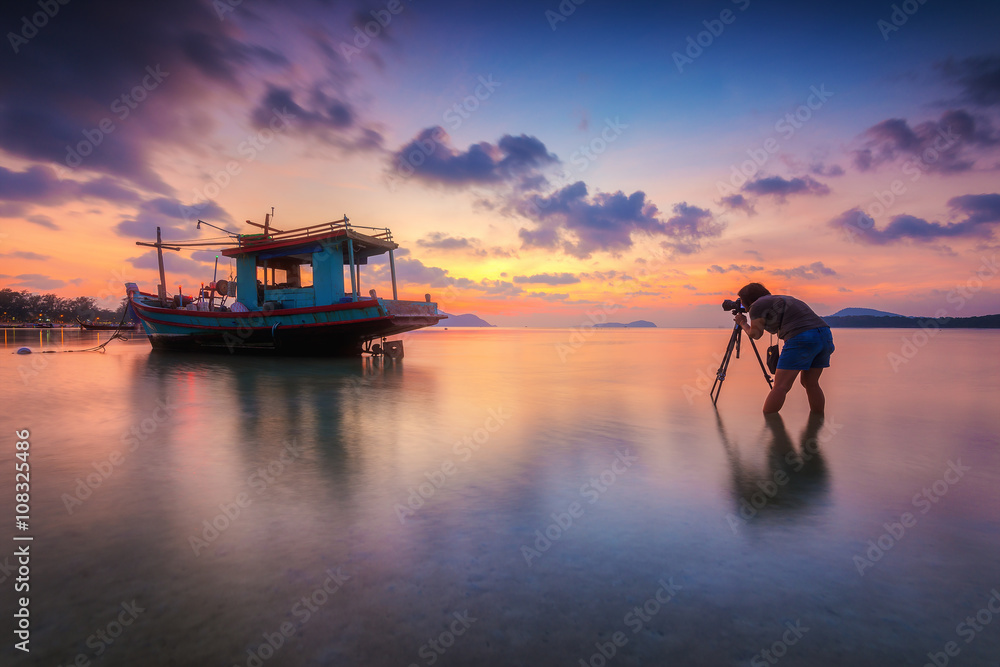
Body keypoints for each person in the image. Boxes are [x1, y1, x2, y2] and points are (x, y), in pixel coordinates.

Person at [733, 283, 834, 414]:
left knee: (780, 386)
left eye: (742, 301)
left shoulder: (757, 305)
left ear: (748, 299)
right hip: (825, 336)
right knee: (811, 383)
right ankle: (817, 423)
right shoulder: (785, 299)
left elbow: (755, 334)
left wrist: (742, 322)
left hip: (801, 337)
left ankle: (769, 425)